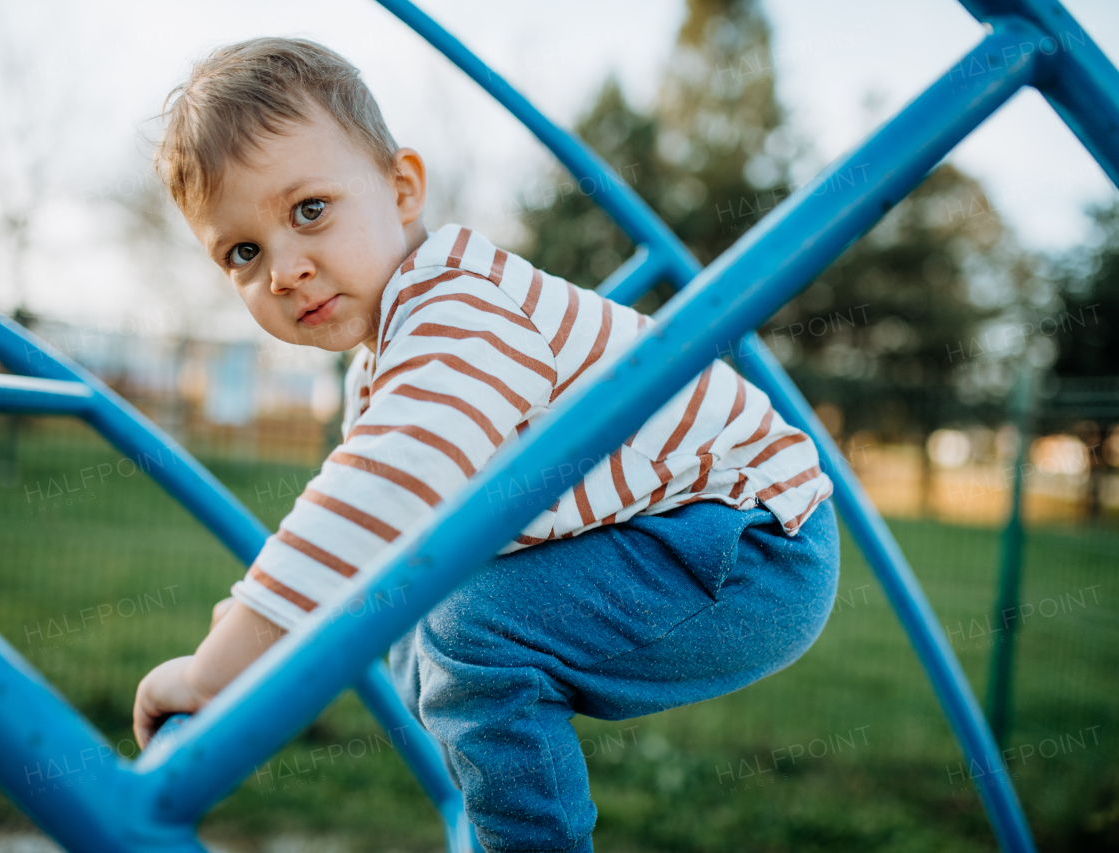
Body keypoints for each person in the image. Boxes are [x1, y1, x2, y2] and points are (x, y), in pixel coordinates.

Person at [132, 36, 840, 853]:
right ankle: (485, 809)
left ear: (401, 190)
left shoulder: (457, 313)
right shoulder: (394, 349)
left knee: (468, 633)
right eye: (244, 253)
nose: (285, 269)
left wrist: (217, 666)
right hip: (681, 532)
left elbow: (374, 496)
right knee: (411, 622)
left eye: (309, 210)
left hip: (748, 543)